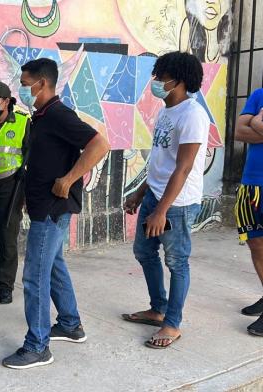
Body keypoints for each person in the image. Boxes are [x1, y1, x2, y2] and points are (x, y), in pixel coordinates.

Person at [2, 58, 110, 369]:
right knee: (53, 266)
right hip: (42, 207)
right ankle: (70, 324)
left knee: (34, 276)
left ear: (42, 84)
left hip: (52, 209)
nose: (22, 90)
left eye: (25, 85)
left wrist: (69, 178)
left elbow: (99, 144)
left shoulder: (60, 115)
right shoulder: (41, 117)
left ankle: (37, 346)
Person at [122, 51, 209, 349]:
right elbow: (161, 161)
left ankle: (172, 324)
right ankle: (158, 308)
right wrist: (141, 192)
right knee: (144, 252)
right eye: (156, 75)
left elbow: (183, 168)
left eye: (161, 77)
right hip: (156, 196)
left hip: (178, 204)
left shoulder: (193, 115)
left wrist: (161, 211)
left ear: (180, 81)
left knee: (176, 261)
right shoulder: (166, 111)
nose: (156, 81)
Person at [0, 82, 31, 305]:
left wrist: (25, 175)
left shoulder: (22, 122)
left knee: (7, 238)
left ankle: (5, 286)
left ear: (7, 102)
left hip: (11, 185)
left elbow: (31, 153)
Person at [233, 88, 263, 337]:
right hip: (251, 185)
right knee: (255, 243)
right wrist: (252, 123)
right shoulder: (260, 94)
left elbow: (249, 128)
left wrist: (256, 122)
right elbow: (239, 131)